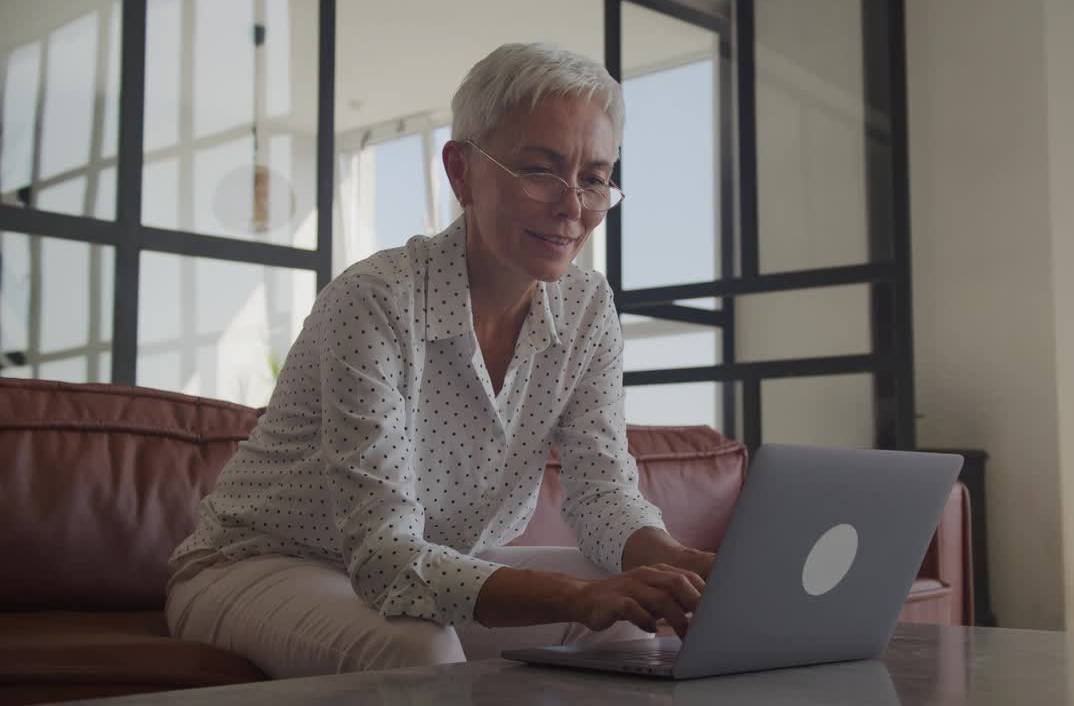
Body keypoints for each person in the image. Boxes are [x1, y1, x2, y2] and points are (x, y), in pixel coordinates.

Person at [165, 43, 715, 678]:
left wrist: (681, 561)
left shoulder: (588, 308)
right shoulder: (376, 300)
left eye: (594, 178)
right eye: (540, 170)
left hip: (430, 565)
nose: (572, 207)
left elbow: (603, 497)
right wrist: (581, 598)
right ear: (460, 172)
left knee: (634, 607)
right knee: (416, 648)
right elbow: (385, 557)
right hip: (260, 565)